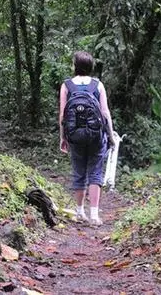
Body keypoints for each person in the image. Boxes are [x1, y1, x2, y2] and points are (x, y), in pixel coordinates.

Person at [58, 51, 115, 225]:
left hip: (75, 136)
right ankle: (95, 215)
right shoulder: (98, 85)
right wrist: (111, 135)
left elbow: (63, 115)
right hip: (96, 136)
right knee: (95, 173)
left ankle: (80, 211)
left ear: (75, 66)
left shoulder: (66, 85)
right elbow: (105, 113)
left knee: (79, 172)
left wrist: (63, 137)